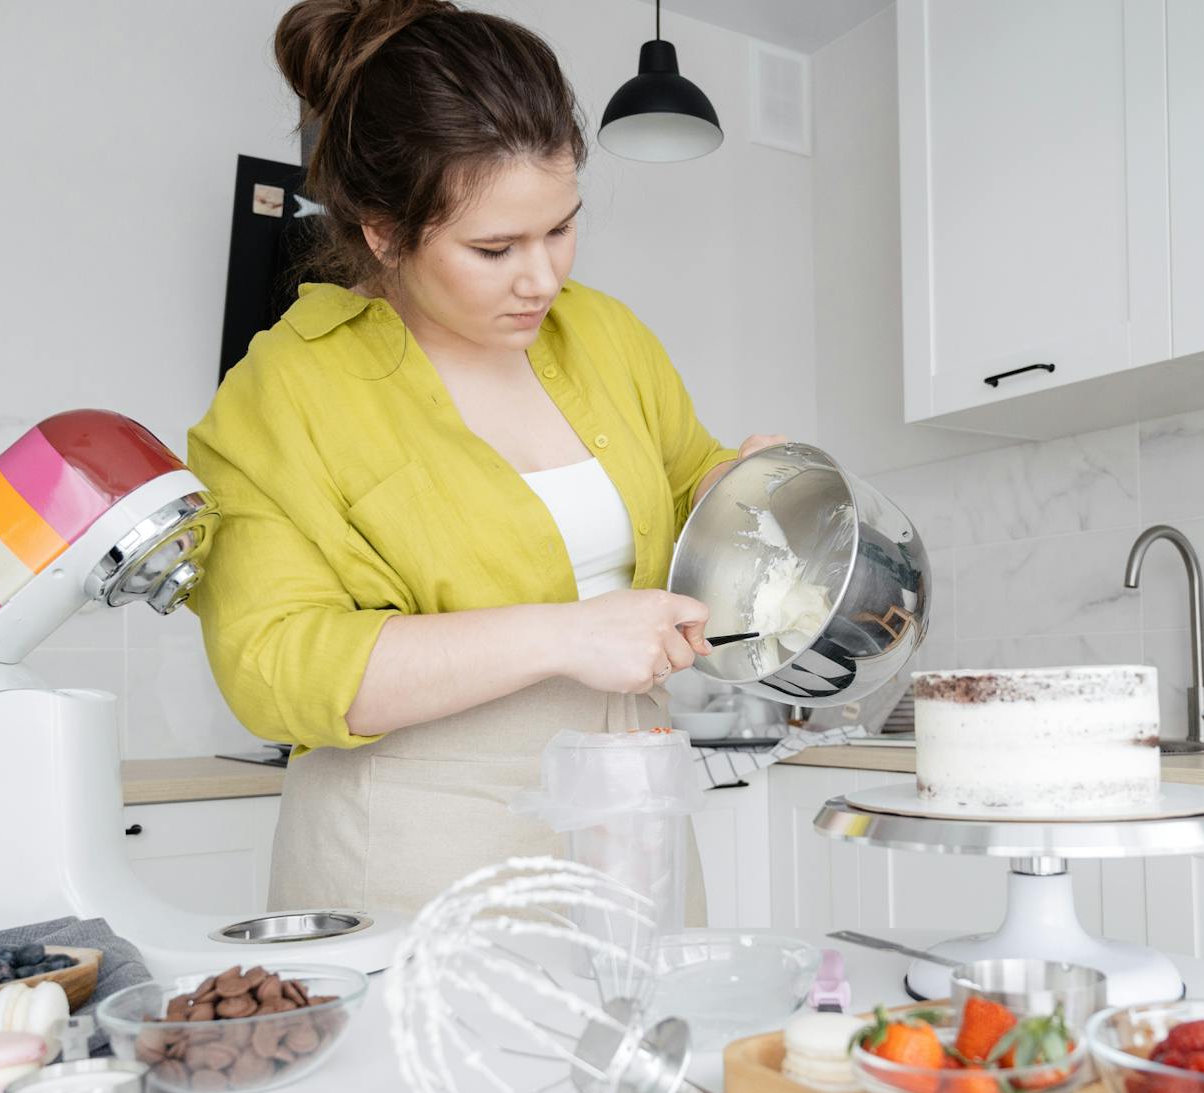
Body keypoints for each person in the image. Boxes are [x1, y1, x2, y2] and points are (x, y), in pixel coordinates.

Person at [188, 0, 782, 913]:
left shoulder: (604, 335)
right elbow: (274, 665)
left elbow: (684, 483)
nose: (542, 277)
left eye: (560, 227)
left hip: (633, 818)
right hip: (420, 851)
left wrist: (746, 486)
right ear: (383, 231)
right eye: (494, 247)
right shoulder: (286, 390)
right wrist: (564, 633)